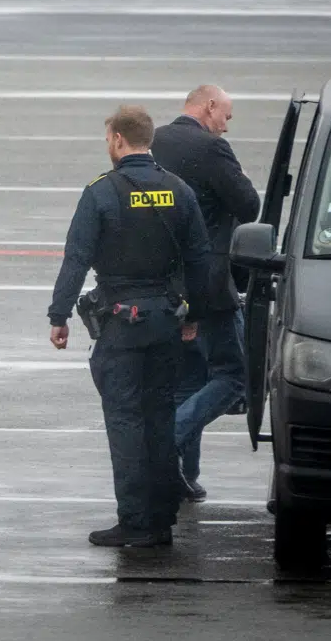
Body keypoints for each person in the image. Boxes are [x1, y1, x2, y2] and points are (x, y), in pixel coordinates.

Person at [49, 105, 210, 547]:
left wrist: (58, 315)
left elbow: (77, 258)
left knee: (124, 421)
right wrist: (194, 316)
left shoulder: (103, 191)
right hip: (165, 321)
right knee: (160, 419)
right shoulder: (178, 189)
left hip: (121, 324)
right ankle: (161, 520)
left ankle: (135, 520)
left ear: (118, 139)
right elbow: (200, 260)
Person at [150, 85, 261, 501]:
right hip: (211, 283)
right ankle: (165, 445)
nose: (225, 126)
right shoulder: (214, 149)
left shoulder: (155, 141)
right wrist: (243, 179)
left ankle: (183, 475)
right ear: (209, 105)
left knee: (188, 380)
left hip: (163, 279)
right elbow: (249, 206)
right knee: (235, 377)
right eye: (226, 117)